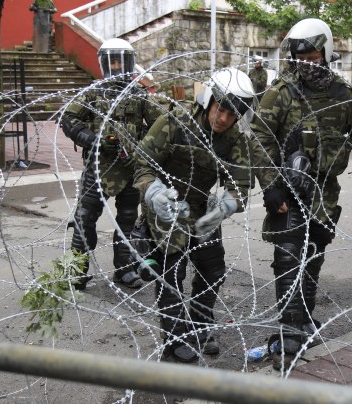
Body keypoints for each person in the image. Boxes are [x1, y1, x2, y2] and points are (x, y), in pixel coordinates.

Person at [248, 18, 352, 371]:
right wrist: (271, 184)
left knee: (312, 256)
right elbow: (259, 137)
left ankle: (303, 320)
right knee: (288, 257)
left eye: (312, 56)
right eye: (300, 56)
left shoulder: (343, 95)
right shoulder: (283, 91)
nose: (306, 62)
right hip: (289, 186)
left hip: (325, 191)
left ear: (326, 52)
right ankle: (289, 333)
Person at [133, 68, 255, 363]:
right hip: (165, 206)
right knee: (172, 273)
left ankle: (200, 325)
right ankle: (175, 339)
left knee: (212, 269)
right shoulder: (174, 123)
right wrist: (154, 193)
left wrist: (224, 207)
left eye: (232, 115)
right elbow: (142, 164)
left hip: (201, 208)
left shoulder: (234, 140)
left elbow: (240, 185)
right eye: (220, 109)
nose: (223, 119)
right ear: (208, 100)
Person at [61, 38, 161, 290]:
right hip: (98, 167)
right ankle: (77, 270)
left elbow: (160, 124)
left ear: (129, 63)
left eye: (121, 62)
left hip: (130, 168)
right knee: (85, 218)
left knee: (127, 220)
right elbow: (69, 118)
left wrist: (145, 146)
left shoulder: (139, 94)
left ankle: (124, 270)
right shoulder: (93, 92)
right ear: (105, 64)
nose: (117, 67)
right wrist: (92, 140)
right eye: (112, 62)